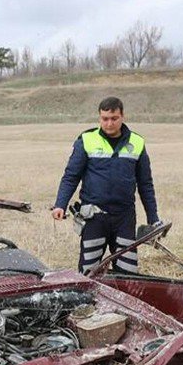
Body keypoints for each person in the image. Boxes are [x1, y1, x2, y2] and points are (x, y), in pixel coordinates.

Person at [51, 97, 162, 274]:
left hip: (124, 217)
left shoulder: (137, 143)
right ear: (99, 118)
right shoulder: (86, 140)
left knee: (128, 273)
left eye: (114, 118)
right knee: (89, 273)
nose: (109, 123)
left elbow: (145, 184)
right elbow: (71, 176)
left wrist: (153, 218)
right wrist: (60, 204)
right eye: (105, 119)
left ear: (122, 116)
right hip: (94, 217)